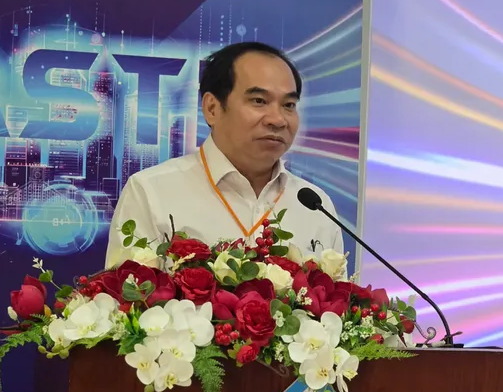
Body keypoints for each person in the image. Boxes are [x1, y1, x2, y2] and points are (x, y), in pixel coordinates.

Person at [105, 41, 345, 269]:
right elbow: (128, 295)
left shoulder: (316, 206)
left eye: (289, 105)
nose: (278, 120)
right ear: (212, 108)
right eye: (259, 101)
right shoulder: (151, 192)